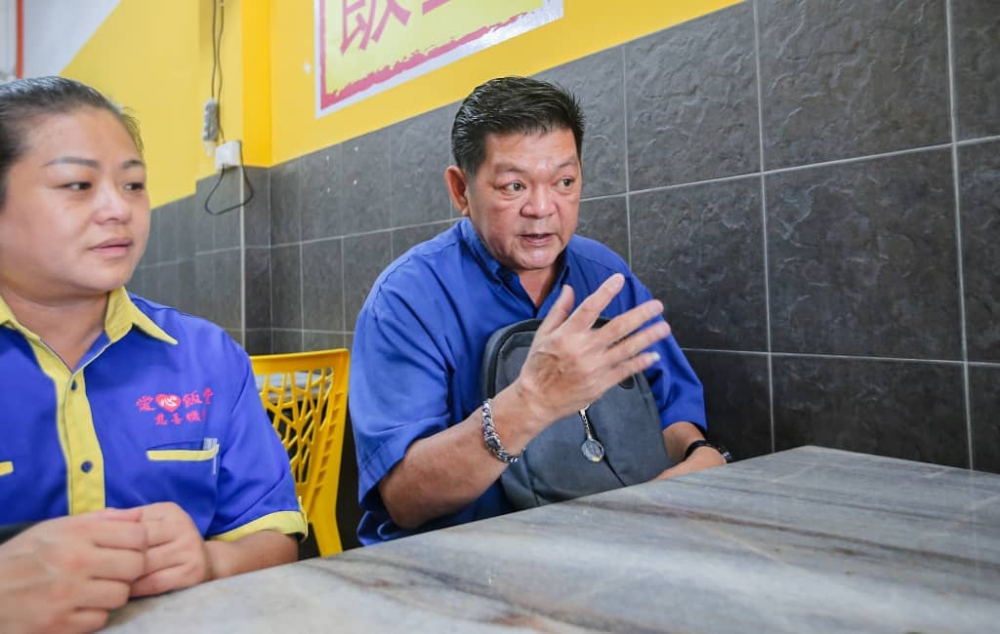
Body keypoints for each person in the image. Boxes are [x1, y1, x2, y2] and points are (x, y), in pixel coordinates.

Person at [349, 76, 729, 545]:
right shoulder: (406, 299)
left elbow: (669, 410)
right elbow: (406, 497)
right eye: (514, 186)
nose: (543, 208)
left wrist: (697, 455)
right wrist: (532, 401)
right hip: (456, 559)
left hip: (603, 544)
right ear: (461, 190)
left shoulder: (604, 274)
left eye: (564, 182)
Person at [0, 76, 306, 632]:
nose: (119, 208)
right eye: (77, 185)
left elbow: (273, 538)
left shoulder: (207, 357)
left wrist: (212, 562)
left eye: (134, 184)